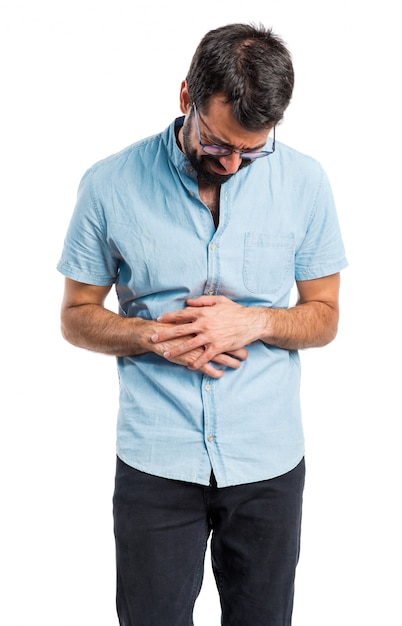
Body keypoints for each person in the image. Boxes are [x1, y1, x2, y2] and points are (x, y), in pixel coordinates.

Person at [58, 22, 347, 626]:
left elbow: (324, 318)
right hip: (156, 463)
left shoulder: (306, 182)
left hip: (267, 460)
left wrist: (256, 322)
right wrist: (155, 336)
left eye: (254, 149)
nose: (236, 164)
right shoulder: (108, 184)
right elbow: (76, 316)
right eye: (219, 145)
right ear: (186, 97)